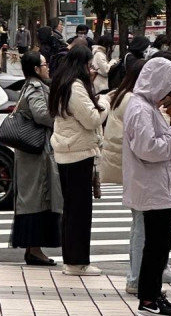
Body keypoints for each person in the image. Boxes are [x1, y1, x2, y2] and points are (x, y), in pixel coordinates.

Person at [123, 57, 171, 316]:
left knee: (161, 243)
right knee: (156, 244)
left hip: (156, 186)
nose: (169, 94)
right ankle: (149, 298)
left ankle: (154, 293)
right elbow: (148, 148)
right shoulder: (140, 109)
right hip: (152, 187)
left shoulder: (145, 106)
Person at [49, 44, 110, 276]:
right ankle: (77, 263)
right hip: (78, 153)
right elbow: (92, 119)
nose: (91, 69)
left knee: (73, 210)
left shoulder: (62, 83)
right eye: (89, 65)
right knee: (80, 212)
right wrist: (105, 102)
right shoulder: (75, 87)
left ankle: (72, 261)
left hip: (67, 151)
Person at [10, 52, 62, 265]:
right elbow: (41, 114)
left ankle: (34, 249)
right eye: (44, 63)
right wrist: (61, 118)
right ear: (35, 69)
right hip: (35, 153)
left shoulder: (34, 85)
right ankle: (34, 249)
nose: (47, 67)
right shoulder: (34, 87)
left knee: (36, 198)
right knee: (37, 199)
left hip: (34, 152)